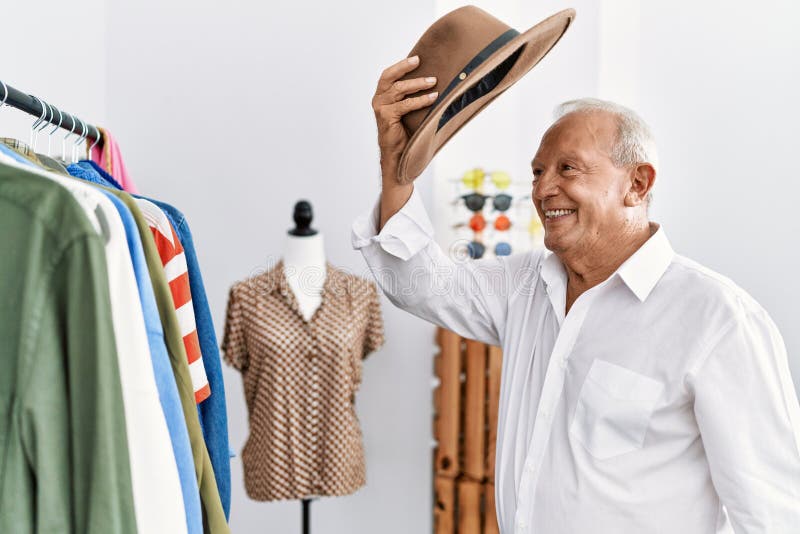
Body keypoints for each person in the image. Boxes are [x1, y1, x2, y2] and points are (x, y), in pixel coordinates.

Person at [351, 55, 800, 533]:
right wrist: (396, 165)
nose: (544, 189)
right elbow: (417, 284)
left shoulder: (719, 320)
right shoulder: (524, 286)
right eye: (538, 172)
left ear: (637, 184)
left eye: (568, 168)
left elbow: (770, 513)